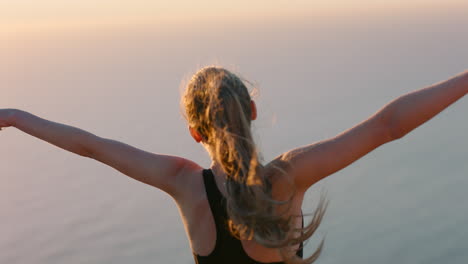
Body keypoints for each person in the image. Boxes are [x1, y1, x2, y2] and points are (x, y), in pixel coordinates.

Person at [0, 67, 466, 264]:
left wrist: (16, 118)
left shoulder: (182, 183)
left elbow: (92, 146)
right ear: (253, 112)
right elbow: (388, 126)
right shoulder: (287, 178)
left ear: (195, 133)